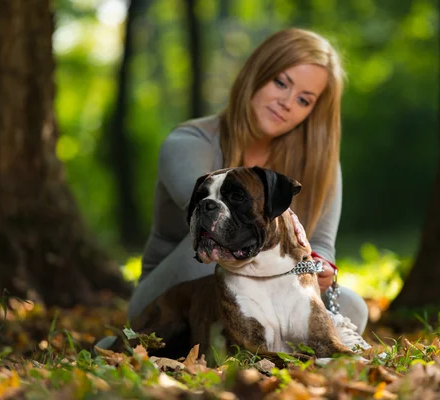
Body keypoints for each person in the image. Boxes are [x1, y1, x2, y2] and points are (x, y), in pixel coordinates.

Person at [128, 28, 369, 335]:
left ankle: (262, 343)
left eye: (304, 100)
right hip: (175, 294)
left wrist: (317, 268)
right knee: (220, 234)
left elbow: (320, 249)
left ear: (312, 112)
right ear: (257, 73)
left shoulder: (320, 164)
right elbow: (206, 221)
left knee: (351, 306)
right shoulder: (188, 143)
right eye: (281, 83)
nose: (287, 103)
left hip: (271, 288)